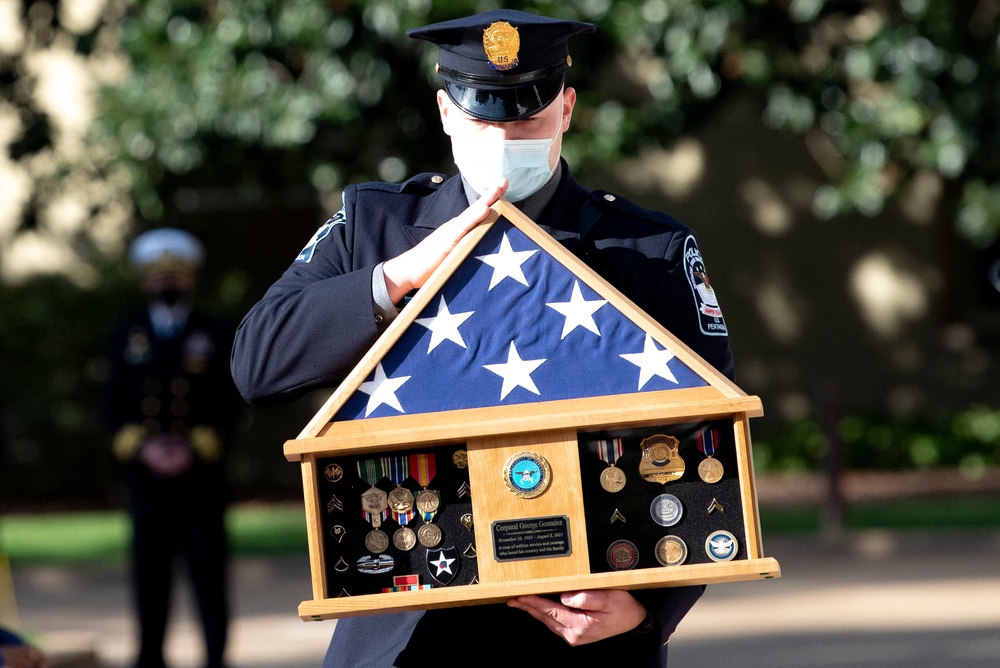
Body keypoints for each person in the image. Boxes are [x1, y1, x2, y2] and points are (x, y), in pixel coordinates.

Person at [231, 9, 734, 668]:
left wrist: (648, 613)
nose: (503, 137)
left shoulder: (648, 250)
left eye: (526, 118)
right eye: (482, 118)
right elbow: (256, 362)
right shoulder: (375, 225)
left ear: (567, 109)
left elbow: (711, 439)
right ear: (444, 112)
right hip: (404, 634)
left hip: (575, 637)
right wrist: (395, 280)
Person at [104, 229, 240, 668]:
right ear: (145, 281)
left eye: (174, 275)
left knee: (207, 573)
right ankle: (149, 657)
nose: (166, 283)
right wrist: (143, 449)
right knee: (149, 576)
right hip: (146, 480)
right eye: (157, 276)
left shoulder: (214, 332)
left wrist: (193, 449)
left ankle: (216, 657)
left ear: (190, 278)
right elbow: (113, 403)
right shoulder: (127, 334)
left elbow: (229, 400)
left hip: (199, 478)